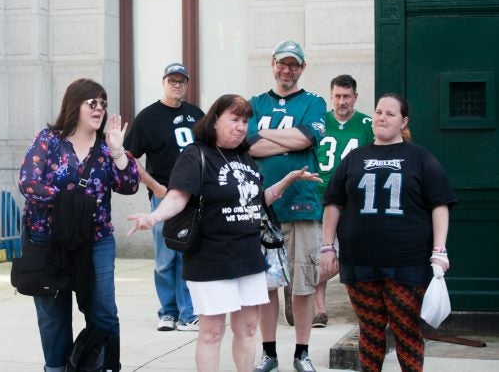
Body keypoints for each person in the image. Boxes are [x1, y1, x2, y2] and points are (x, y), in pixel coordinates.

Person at [128, 94, 321, 372]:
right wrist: (153, 217)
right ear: (215, 120)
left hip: (248, 256)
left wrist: (286, 182)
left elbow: (255, 202)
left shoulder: (245, 156)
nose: (241, 126)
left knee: (248, 328)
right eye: (234, 119)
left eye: (245, 121)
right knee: (211, 332)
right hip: (210, 257)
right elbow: (177, 197)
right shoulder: (196, 154)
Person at [320, 93, 456, 372]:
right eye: (378, 112)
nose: (381, 118)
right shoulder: (354, 158)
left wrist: (439, 251)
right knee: (369, 331)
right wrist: (327, 247)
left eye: (390, 114)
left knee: (406, 329)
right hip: (360, 262)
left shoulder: (420, 158)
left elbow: (439, 204)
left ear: (403, 121)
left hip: (407, 263)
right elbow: (333, 202)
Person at [18, 78, 139, 372]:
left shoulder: (106, 147)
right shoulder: (49, 140)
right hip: (48, 240)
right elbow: (28, 182)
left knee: (103, 311)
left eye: (103, 104)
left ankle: (104, 366)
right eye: (93, 103)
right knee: (53, 315)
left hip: (95, 240)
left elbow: (130, 185)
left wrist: (118, 151)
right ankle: (56, 368)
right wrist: (69, 201)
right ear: (76, 104)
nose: (99, 109)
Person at [247, 40, 326, 372]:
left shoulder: (314, 102)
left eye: (295, 64)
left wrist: (268, 134)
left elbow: (307, 138)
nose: (288, 69)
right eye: (283, 63)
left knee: (303, 283)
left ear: (303, 68)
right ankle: (269, 353)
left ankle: (302, 353)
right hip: (262, 208)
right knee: (266, 286)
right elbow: (249, 146)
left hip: (302, 206)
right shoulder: (254, 103)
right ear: (273, 63)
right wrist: (289, 139)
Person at [123, 62, 204, 332]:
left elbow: (208, 151)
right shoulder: (148, 117)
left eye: (181, 80)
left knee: (187, 255)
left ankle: (187, 312)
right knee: (165, 258)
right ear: (163, 82)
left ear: (187, 84)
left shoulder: (196, 115)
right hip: (164, 196)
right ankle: (167, 312)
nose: (177, 84)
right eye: (172, 80)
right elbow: (128, 157)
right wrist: (155, 186)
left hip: (192, 196)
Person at [313, 74, 373, 328]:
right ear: (331, 96)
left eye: (347, 96)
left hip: (352, 200)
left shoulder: (366, 124)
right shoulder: (319, 122)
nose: (342, 101)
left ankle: (303, 286)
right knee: (321, 252)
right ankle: (318, 309)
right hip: (319, 197)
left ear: (355, 97)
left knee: (349, 254)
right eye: (337, 96)